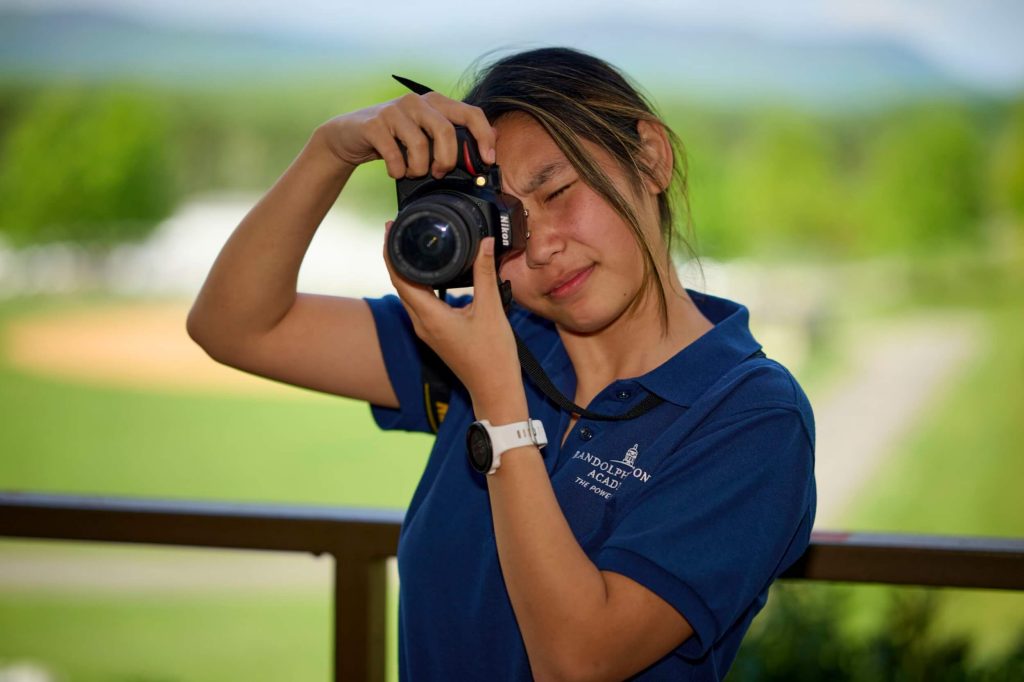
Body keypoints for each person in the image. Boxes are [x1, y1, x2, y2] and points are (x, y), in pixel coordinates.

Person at [187, 47, 816, 681]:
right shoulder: (501, 338)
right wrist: (331, 150)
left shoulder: (751, 415)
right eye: (506, 223)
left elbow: (578, 660)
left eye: (560, 191)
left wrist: (498, 403)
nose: (541, 247)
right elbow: (236, 326)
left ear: (649, 157)